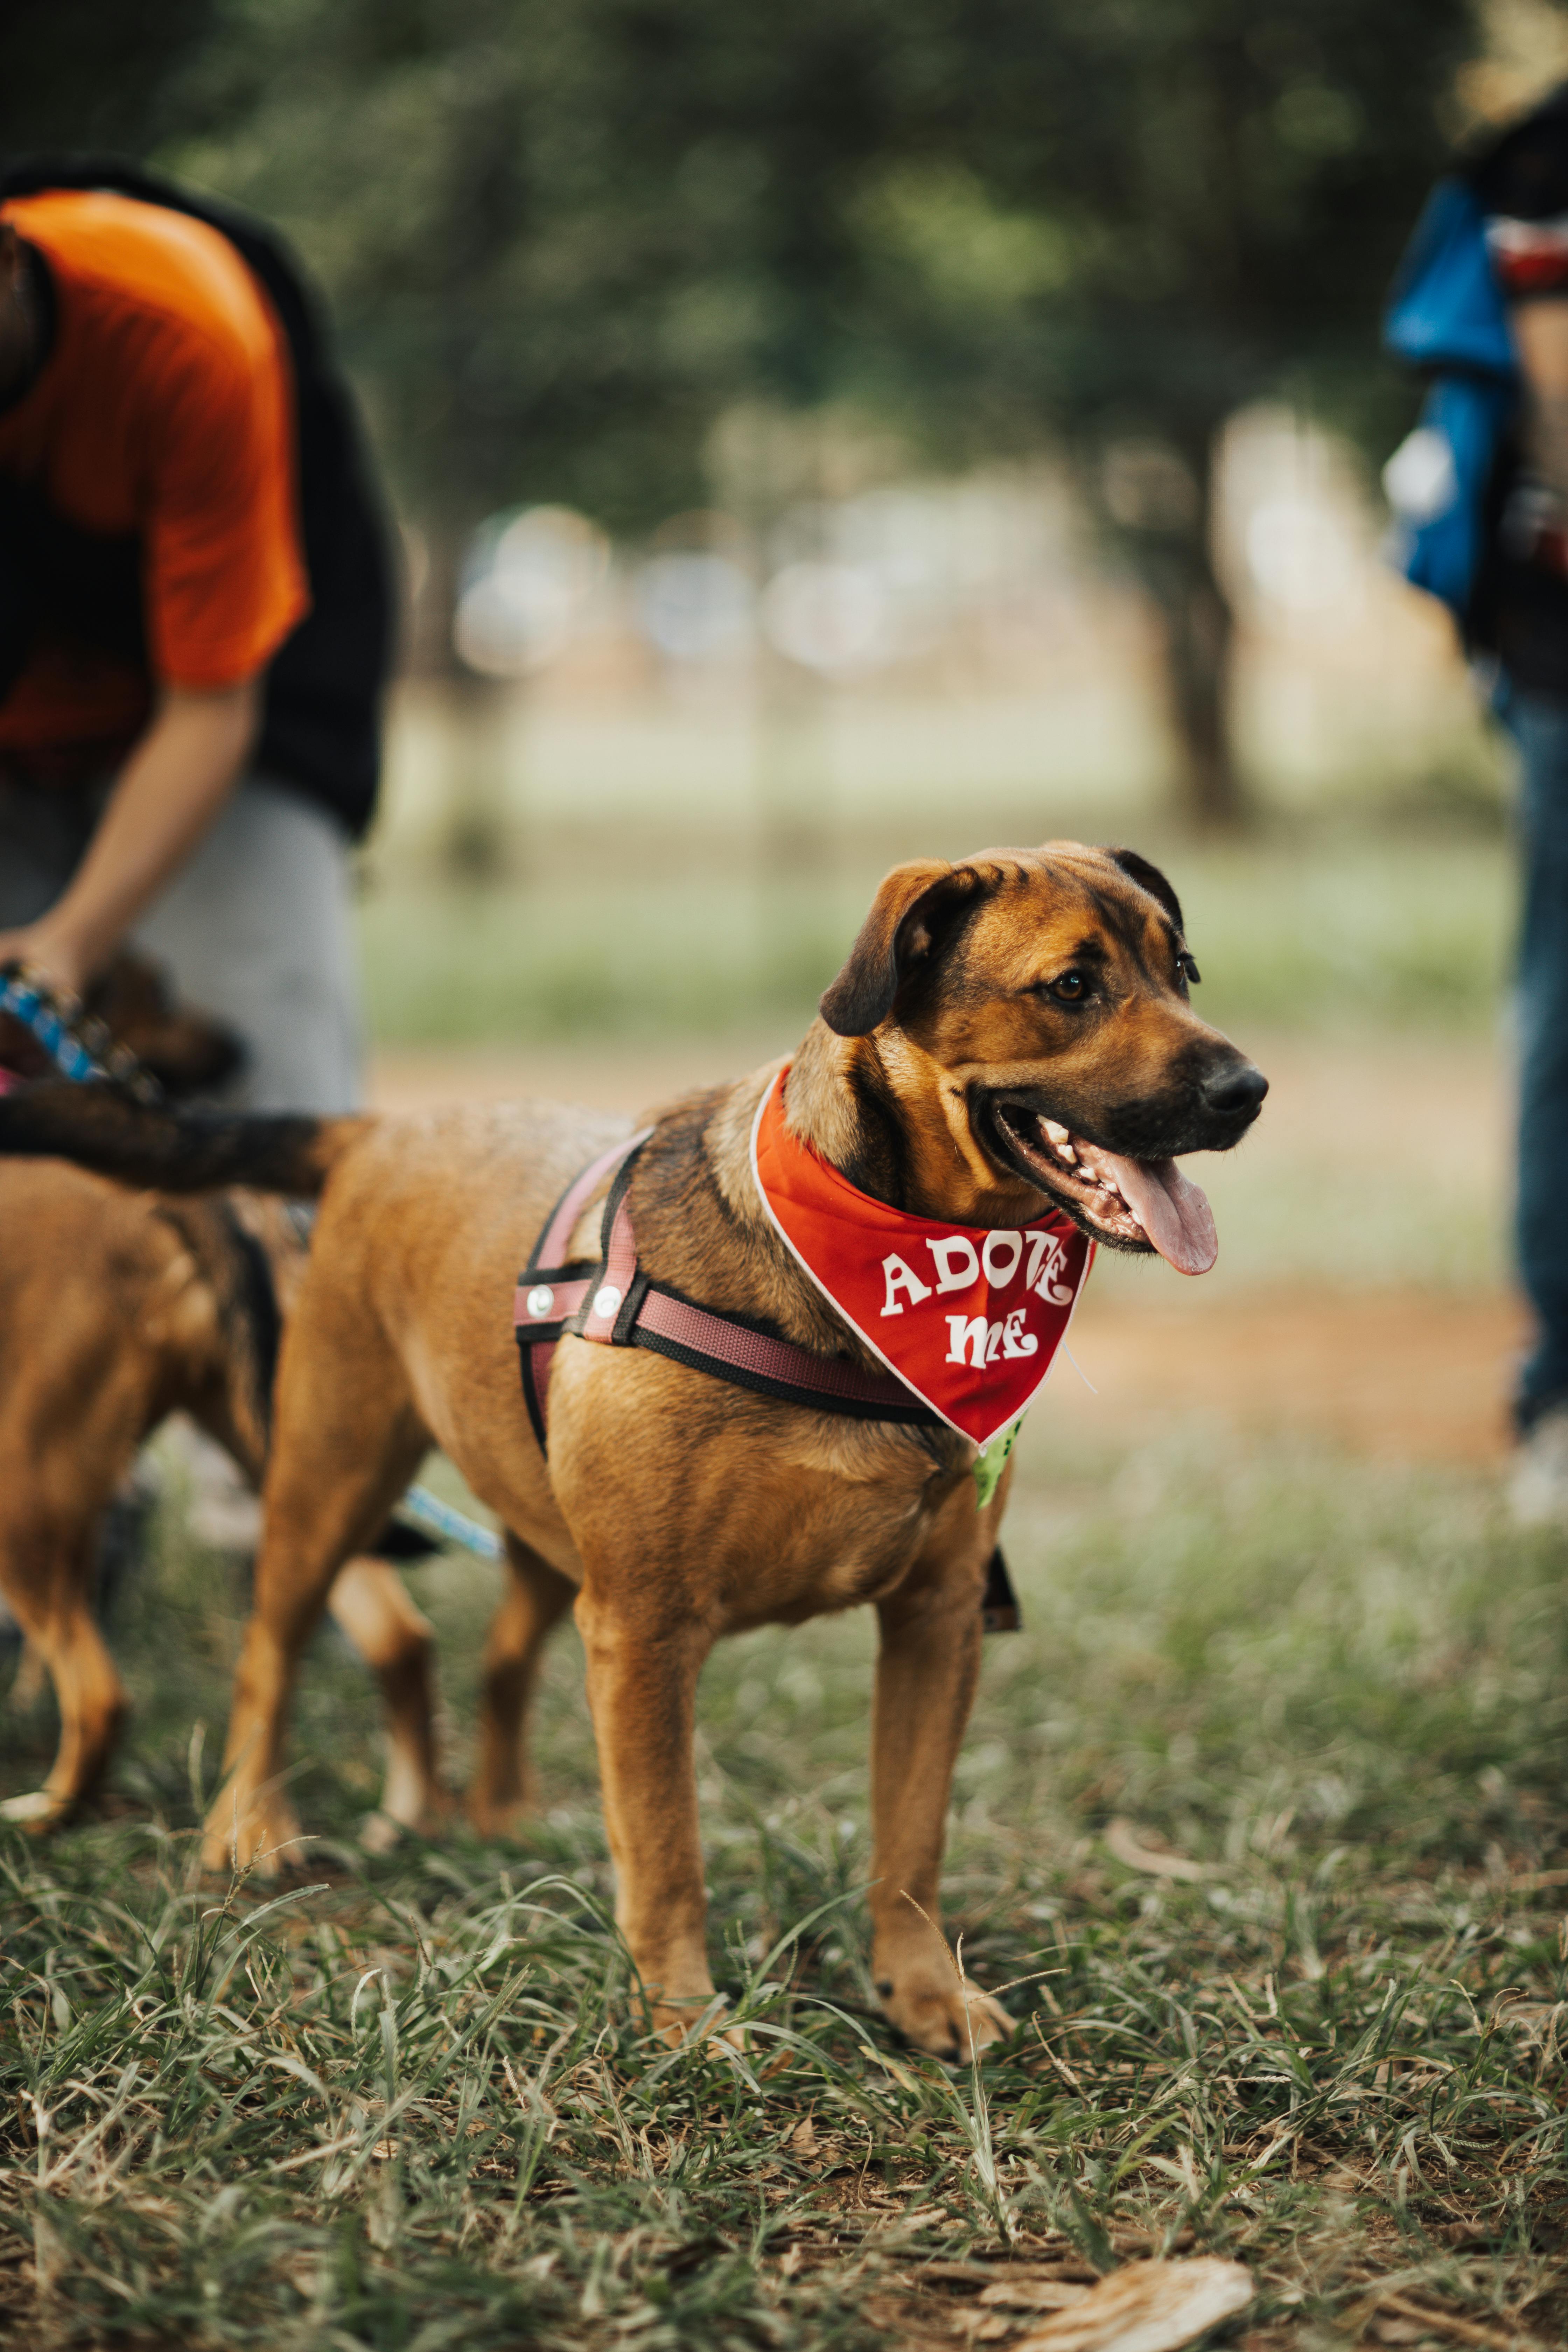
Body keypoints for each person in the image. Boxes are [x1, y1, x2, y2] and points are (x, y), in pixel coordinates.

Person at [0, 161, 394, 1114]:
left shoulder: (180, 324)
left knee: (268, 1101)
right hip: (20, 722)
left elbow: (212, 706)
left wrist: (68, 944)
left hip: (238, 699)